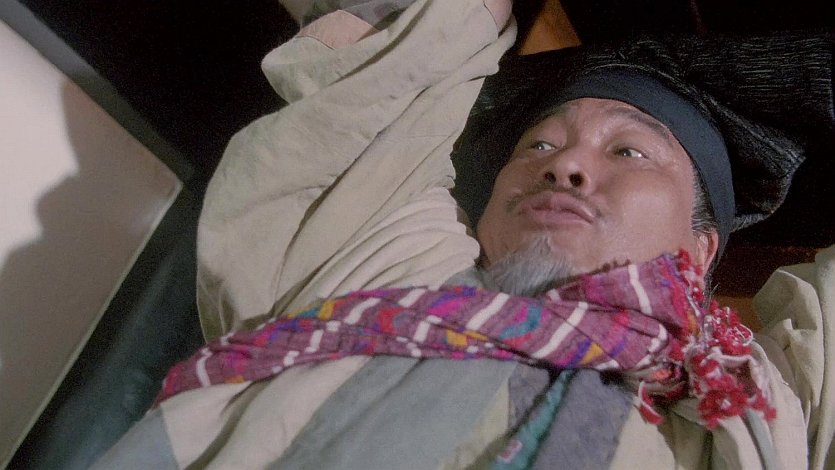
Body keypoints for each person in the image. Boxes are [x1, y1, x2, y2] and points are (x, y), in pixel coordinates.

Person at [94, 1, 833, 468]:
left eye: (629, 151)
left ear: (700, 248)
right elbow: (392, 66)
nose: (566, 163)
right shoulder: (383, 262)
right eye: (537, 145)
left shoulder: (763, 414)